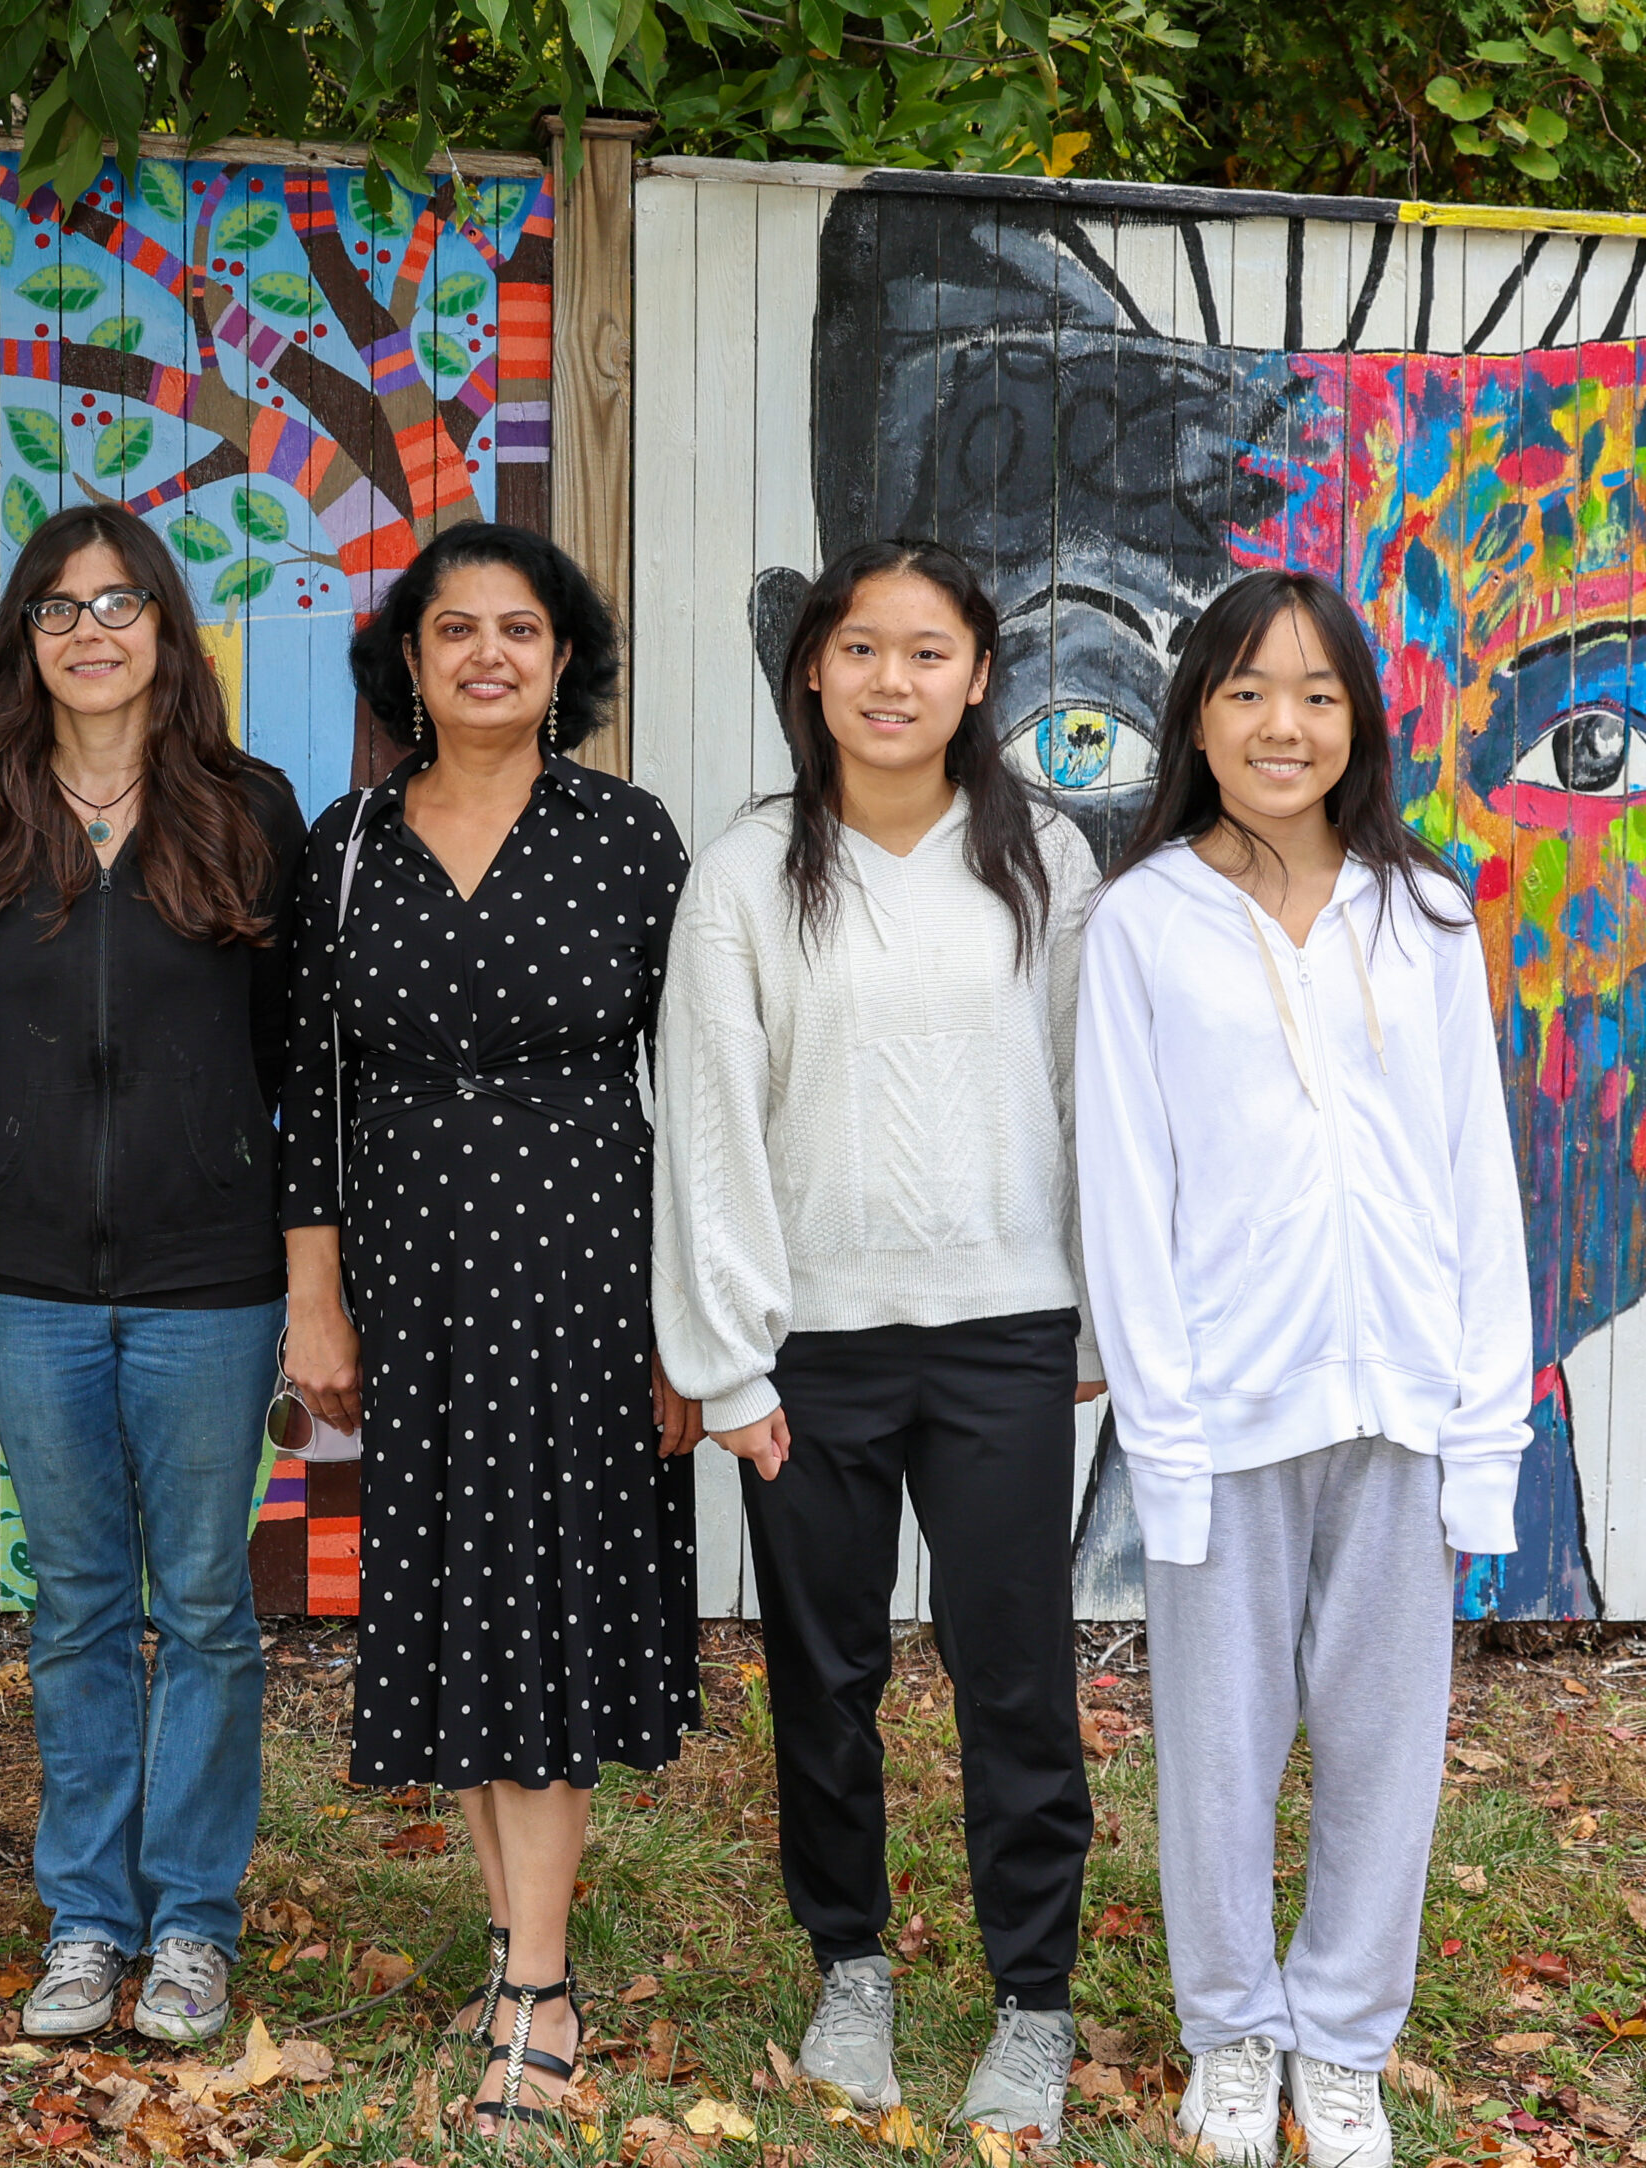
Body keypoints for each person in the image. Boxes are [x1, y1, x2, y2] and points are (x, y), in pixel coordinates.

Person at [1076, 570, 1530, 2168]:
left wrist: (1487, 1423)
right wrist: (1163, 1421)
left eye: (1319, 693)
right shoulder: (1142, 921)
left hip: (1404, 1401)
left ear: (1358, 723)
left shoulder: (1428, 915)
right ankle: (1232, 2032)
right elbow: (1127, 1199)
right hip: (1229, 1405)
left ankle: (1341, 2044)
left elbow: (1480, 1178)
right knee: (1218, 1739)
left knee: (1387, 1741)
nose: (1284, 723)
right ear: (1198, 712)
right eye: (1250, 690)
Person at [653, 539, 1102, 2144]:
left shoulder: (1042, 856)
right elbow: (707, 1121)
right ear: (815, 673)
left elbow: (1082, 1094)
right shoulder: (752, 870)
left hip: (1003, 1334)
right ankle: (852, 1966)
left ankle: (1032, 2002)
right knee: (822, 1678)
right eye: (861, 649)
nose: (891, 681)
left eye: (927, 653)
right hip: (817, 1352)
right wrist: (732, 1361)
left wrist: (1092, 1310)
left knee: (1014, 1677)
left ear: (980, 675)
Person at [279, 521, 701, 2135]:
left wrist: (693, 1328)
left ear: (563, 661)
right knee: (460, 1603)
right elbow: (309, 1097)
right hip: (411, 1272)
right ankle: (513, 1938)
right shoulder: (345, 846)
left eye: (519, 631)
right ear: (410, 660)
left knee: (554, 1610)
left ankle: (536, 1986)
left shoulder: (627, 839)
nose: (487, 657)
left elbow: (705, 1096)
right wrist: (316, 1296)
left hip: (589, 1267)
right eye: (454, 630)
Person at [0, 505, 307, 2044]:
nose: (91, 630)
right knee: (76, 1603)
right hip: (28, 1279)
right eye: (60, 607)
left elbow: (282, 1053)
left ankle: (193, 1921)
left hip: (211, 1275)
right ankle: (88, 1916)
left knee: (204, 1603)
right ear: (25, 638)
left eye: (121, 601)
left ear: (167, 630)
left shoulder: (247, 810)